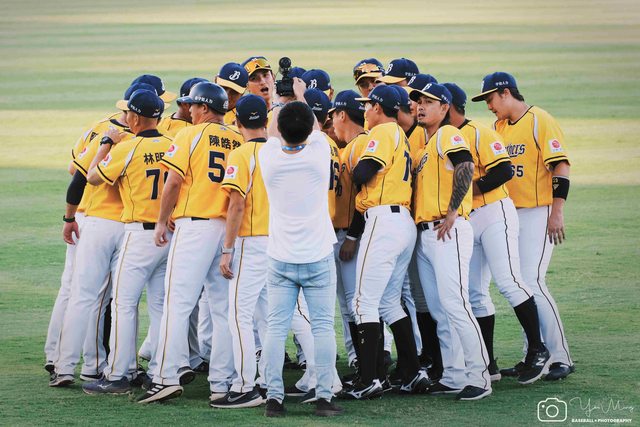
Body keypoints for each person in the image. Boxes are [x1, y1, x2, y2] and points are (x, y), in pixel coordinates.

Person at [138, 82, 242, 403]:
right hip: (229, 231)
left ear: (204, 108)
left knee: (177, 302)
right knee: (224, 309)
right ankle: (221, 384)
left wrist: (161, 220)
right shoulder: (239, 139)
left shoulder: (188, 135)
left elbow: (173, 182)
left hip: (195, 227)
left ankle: (165, 376)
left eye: (193, 105)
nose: (190, 110)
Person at [444, 82, 552, 385]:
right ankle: (488, 363)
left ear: (447, 106)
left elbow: (503, 171)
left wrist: (467, 190)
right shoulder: (441, 137)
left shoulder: (478, 132)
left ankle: (538, 350)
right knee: (475, 292)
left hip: (494, 214)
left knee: (509, 281)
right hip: (468, 219)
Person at [472, 72, 574, 381]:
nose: (489, 106)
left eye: (490, 99)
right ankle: (533, 353)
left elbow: (561, 165)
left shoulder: (540, 120)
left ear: (505, 93)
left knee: (532, 281)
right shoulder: (499, 127)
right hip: (508, 215)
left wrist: (557, 211)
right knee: (520, 284)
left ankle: (560, 357)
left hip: (538, 212)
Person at [80, 89, 173, 394]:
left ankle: (120, 373)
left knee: (124, 303)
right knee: (161, 306)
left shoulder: (128, 147)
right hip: (170, 234)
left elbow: (93, 176)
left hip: (140, 235)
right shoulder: (173, 143)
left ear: (133, 117)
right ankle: (161, 372)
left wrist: (106, 143)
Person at [259, 79, 342, 418]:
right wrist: (301, 94)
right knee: (322, 327)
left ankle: (274, 399)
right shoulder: (319, 152)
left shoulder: (268, 157)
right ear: (309, 129)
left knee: (275, 328)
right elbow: (314, 126)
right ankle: (324, 397)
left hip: (280, 256)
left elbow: (272, 132)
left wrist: (276, 98)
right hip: (317, 255)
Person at [49, 84, 141, 387]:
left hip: (99, 223)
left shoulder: (109, 135)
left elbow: (79, 176)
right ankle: (104, 367)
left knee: (84, 297)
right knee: (113, 301)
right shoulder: (151, 142)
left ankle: (66, 366)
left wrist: (69, 217)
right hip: (127, 228)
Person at [344, 85, 428, 399]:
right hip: (401, 222)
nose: (365, 110)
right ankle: (413, 372)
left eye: (368, 105)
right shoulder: (400, 136)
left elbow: (363, 173)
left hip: (382, 221)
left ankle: (369, 379)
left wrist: (351, 165)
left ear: (378, 108)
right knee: (389, 302)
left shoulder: (381, 132)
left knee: (362, 302)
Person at [409, 82, 491, 401]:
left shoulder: (446, 134)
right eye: (418, 101)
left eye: (429, 102)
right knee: (440, 309)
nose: (421, 106)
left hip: (448, 231)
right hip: (428, 234)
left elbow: (466, 165)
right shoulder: (427, 145)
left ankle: (480, 376)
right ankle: (454, 375)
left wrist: (454, 210)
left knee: (456, 304)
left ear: (445, 108)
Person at [210, 94, 270, 409]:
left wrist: (227, 249)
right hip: (280, 243)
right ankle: (271, 381)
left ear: (237, 122)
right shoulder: (279, 150)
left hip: (251, 241)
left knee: (238, 316)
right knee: (273, 316)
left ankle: (245, 386)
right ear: (266, 121)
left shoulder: (242, 153)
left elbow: (236, 204)